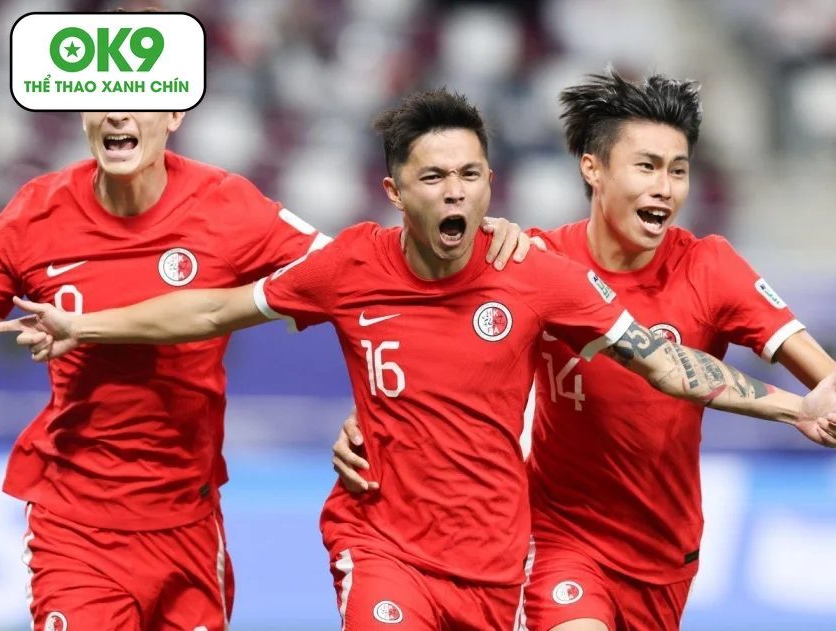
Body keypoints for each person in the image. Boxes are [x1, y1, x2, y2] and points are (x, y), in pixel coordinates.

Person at [0, 88, 836, 631]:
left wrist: (790, 403)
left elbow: (661, 362)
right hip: (386, 542)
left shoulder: (534, 272)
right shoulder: (351, 265)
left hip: (497, 561)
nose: (456, 191)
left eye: (470, 174)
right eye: (434, 177)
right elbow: (216, 307)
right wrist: (89, 325)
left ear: (491, 182)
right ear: (396, 192)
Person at [0, 100, 531, 630]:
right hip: (74, 523)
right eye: (102, 100)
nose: (118, 114)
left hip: (189, 523)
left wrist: (473, 239)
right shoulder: (33, 214)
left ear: (175, 115)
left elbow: (367, 281)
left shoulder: (227, 206)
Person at [331, 70, 836, 631]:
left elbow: (824, 380)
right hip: (556, 536)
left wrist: (814, 405)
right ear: (592, 168)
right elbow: (432, 342)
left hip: (665, 552)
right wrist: (374, 416)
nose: (665, 188)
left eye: (678, 170)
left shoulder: (710, 267)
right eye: (646, 166)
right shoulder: (533, 263)